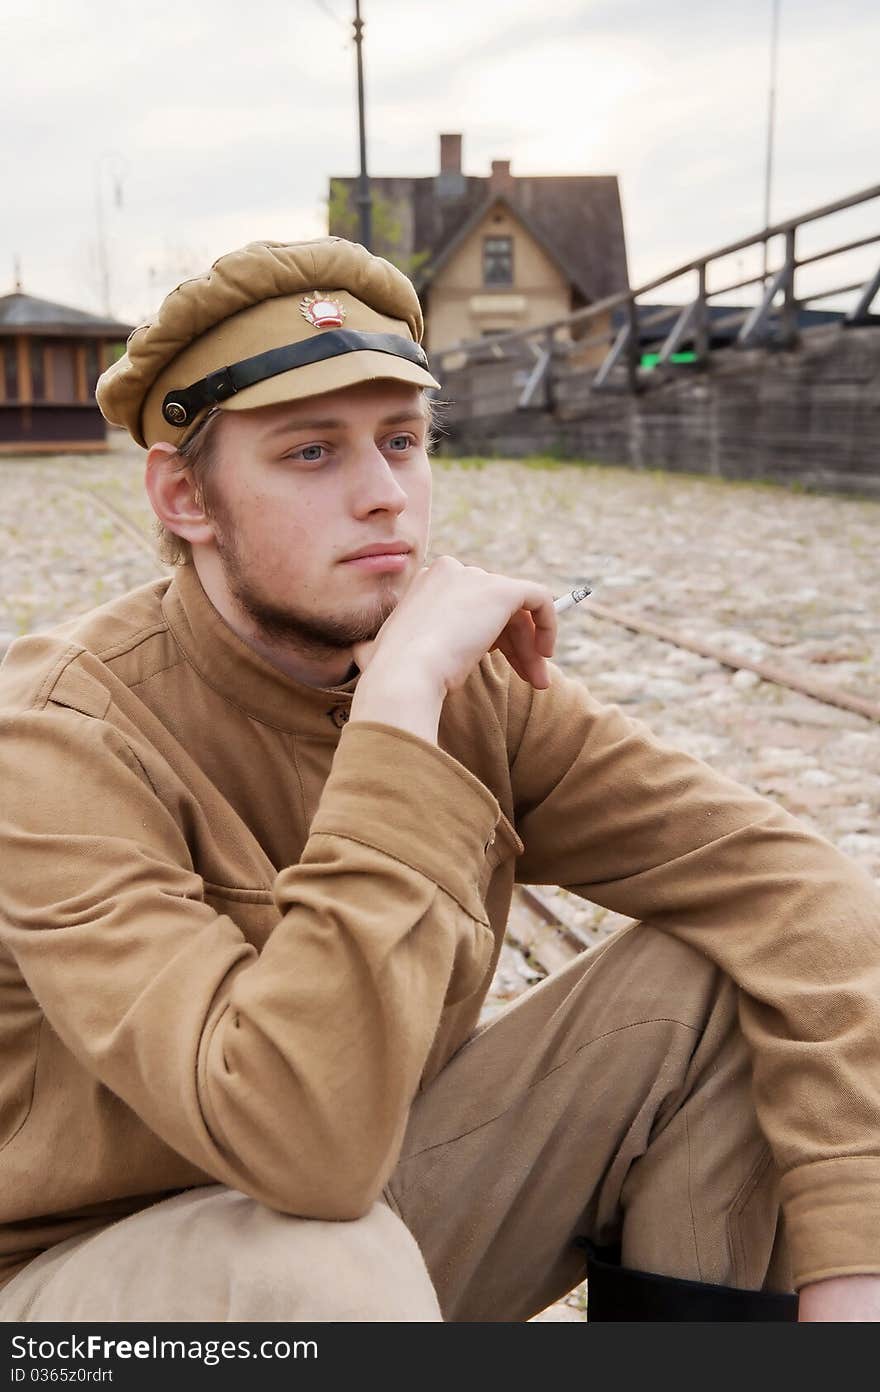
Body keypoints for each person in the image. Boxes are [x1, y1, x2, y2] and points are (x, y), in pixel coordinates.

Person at [0, 237, 878, 1324]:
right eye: (312, 454)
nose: (385, 498)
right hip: (83, 1301)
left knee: (725, 987)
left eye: (404, 442)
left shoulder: (471, 685)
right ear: (184, 496)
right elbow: (302, 1149)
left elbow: (802, 896)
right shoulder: (57, 741)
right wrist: (398, 712)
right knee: (316, 1265)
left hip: (364, 1230)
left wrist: (851, 1277)